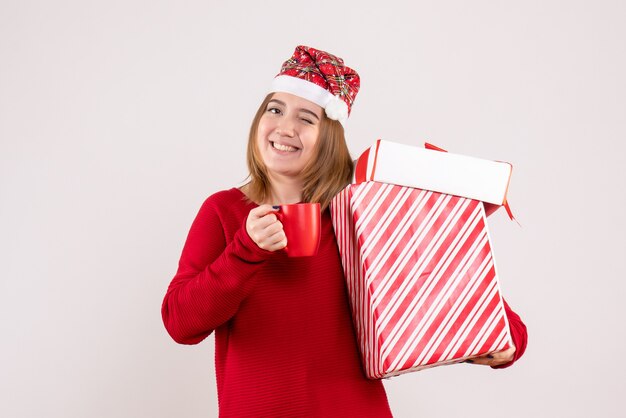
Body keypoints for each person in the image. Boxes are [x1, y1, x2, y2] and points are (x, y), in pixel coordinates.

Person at [161, 45, 527, 417]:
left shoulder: (364, 210)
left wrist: (508, 342)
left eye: (306, 118)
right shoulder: (222, 212)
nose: (285, 127)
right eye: (275, 109)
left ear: (330, 138)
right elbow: (180, 323)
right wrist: (245, 251)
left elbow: (462, 289)